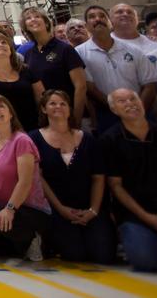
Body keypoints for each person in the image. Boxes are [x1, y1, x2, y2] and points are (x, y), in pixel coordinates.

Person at [29, 89, 115, 263]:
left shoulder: (87, 138)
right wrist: (61, 209)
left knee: (103, 255)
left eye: (63, 103)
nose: (58, 107)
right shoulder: (34, 138)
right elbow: (38, 178)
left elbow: (98, 177)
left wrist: (93, 210)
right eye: (53, 103)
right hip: (56, 208)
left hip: (89, 207)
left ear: (69, 109)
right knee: (75, 254)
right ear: (44, 109)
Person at [0, 93, 49, 261]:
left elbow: (25, 181)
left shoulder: (22, 140)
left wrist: (10, 209)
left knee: (11, 225)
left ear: (10, 114)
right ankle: (18, 246)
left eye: (1, 106)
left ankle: (35, 238)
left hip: (26, 208)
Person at [102, 88, 157, 271]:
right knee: (145, 260)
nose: (130, 103)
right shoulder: (110, 140)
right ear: (113, 109)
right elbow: (116, 186)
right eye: (122, 101)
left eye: (133, 99)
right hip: (135, 215)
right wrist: (149, 218)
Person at [76, 5, 157, 132]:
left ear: (110, 23)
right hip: (107, 114)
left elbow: (149, 84)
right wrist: (118, 109)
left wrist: (136, 110)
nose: (98, 19)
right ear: (86, 26)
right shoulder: (79, 53)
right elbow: (90, 88)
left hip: (141, 111)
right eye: (92, 17)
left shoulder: (133, 50)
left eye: (102, 16)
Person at [20, 8, 87, 126]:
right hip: (46, 119)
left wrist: (76, 119)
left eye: (37, 16)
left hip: (68, 114)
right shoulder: (29, 54)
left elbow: (81, 86)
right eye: (28, 18)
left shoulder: (65, 49)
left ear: (46, 22)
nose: (33, 20)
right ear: (25, 27)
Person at [0, 23, 43, 132]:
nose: (0, 45)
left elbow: (41, 98)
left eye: (4, 42)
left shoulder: (26, 70)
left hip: (31, 128)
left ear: (10, 49)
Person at [111, 2, 157, 72]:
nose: (125, 14)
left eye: (130, 12)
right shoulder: (105, 45)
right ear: (110, 20)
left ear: (137, 19)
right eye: (119, 12)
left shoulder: (156, 43)